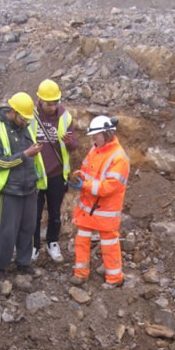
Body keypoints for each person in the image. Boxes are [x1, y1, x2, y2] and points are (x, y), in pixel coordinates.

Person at [0, 92, 46, 287]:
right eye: (23, 119)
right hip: (8, 189)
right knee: (7, 230)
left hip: (28, 186)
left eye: (28, 120)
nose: (26, 123)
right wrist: (26, 154)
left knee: (28, 227)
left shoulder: (25, 127)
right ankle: (0, 268)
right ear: (12, 112)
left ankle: (23, 262)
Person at [67, 116, 130, 289]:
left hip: (106, 211)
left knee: (109, 243)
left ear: (107, 134)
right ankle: (80, 273)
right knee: (81, 239)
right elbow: (87, 170)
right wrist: (79, 176)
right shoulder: (95, 150)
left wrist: (84, 185)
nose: (93, 139)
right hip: (88, 207)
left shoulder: (119, 158)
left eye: (96, 136)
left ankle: (115, 278)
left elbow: (108, 187)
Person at [29, 79, 77, 263]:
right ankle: (34, 246)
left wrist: (69, 142)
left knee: (55, 213)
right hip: (37, 174)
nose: (53, 106)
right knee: (35, 213)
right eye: (49, 103)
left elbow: (74, 145)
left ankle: (52, 242)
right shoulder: (31, 116)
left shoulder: (65, 117)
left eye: (56, 102)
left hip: (57, 174)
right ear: (40, 100)